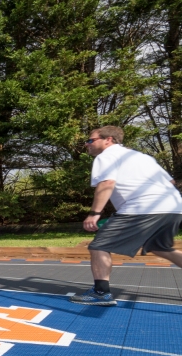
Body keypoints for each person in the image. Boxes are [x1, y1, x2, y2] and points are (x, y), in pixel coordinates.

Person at [69, 126, 182, 306]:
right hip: (173, 207)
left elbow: (107, 183)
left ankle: (101, 293)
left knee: (99, 245)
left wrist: (94, 214)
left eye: (91, 140)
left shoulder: (106, 156)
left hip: (142, 207)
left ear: (108, 140)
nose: (86, 144)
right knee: (161, 248)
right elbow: (171, 181)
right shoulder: (142, 157)